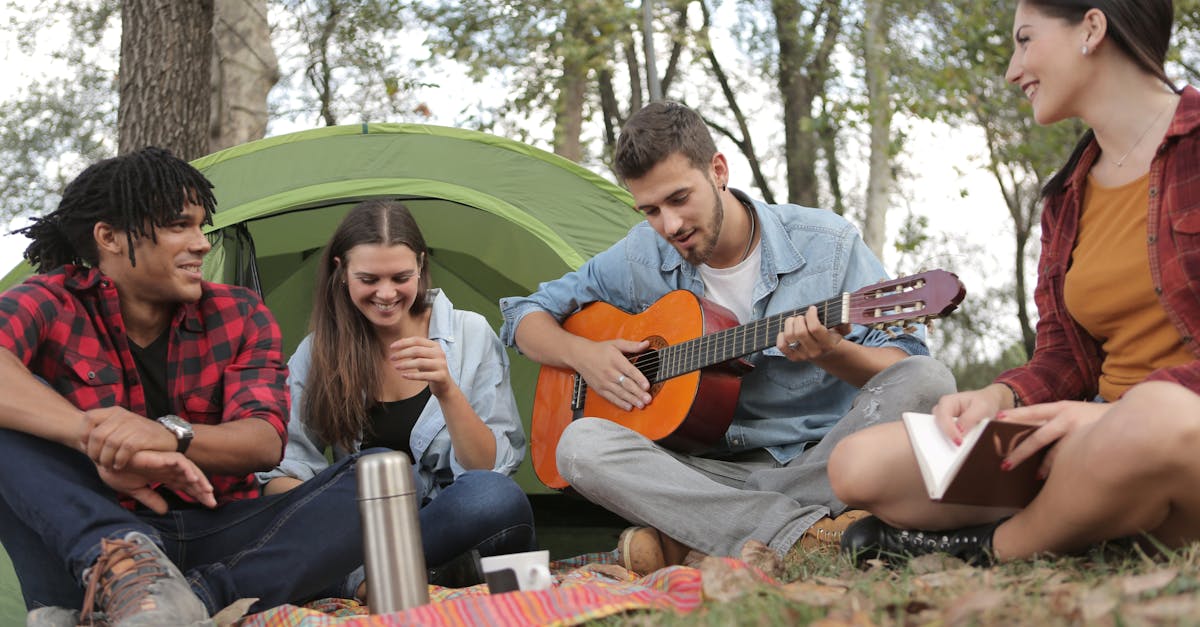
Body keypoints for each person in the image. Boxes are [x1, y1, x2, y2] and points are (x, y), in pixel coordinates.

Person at [498, 100, 956, 574]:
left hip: (828, 459)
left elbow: (902, 365)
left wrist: (833, 353)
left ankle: (715, 530)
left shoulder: (828, 243)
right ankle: (803, 532)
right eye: (650, 210)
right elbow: (522, 317)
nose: (669, 225)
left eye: (679, 199)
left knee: (928, 380)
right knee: (578, 447)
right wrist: (583, 355)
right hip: (712, 472)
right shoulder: (642, 255)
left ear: (718, 170)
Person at [831, 0, 1200, 565]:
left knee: (1155, 418)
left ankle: (998, 548)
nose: (1012, 69)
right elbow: (1063, 357)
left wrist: (1108, 418)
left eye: (1025, 40)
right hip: (1088, 435)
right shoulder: (1067, 198)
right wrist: (1000, 397)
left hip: (1172, 432)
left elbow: (1149, 415)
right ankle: (1100, 516)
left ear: (1092, 29)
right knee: (858, 464)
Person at [0, 147, 367, 625]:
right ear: (109, 237)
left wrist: (168, 435)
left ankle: (194, 598)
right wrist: (96, 439)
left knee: (377, 479)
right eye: (179, 226)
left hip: (219, 526)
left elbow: (264, 439)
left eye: (200, 225)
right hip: (88, 544)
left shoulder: (239, 312)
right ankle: (129, 574)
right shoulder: (48, 300)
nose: (202, 243)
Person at [258, 199, 534, 591]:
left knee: (497, 497)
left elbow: (487, 469)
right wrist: (331, 515)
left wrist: (447, 390)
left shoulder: (469, 334)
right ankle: (381, 578)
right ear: (341, 271)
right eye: (369, 279)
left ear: (420, 266)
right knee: (376, 469)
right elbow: (283, 472)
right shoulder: (318, 353)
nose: (386, 294)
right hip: (366, 528)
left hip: (454, 525)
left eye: (400, 277)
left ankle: (378, 580)